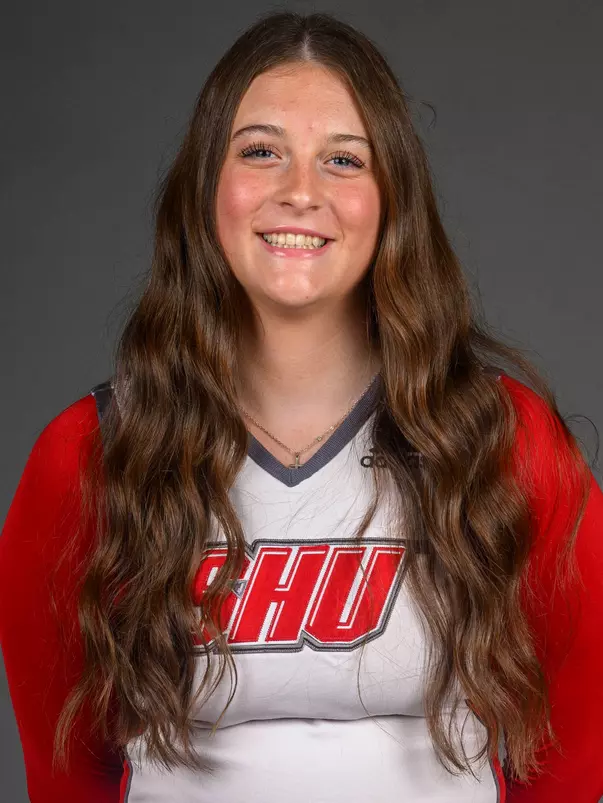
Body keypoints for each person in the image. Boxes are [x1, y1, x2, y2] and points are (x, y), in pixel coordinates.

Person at [1, 10, 602, 803]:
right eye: (260, 151)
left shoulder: (501, 440)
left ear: (393, 201)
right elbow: (66, 771)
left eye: (343, 160)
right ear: (204, 188)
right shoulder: (91, 453)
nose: (299, 192)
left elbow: (571, 754)